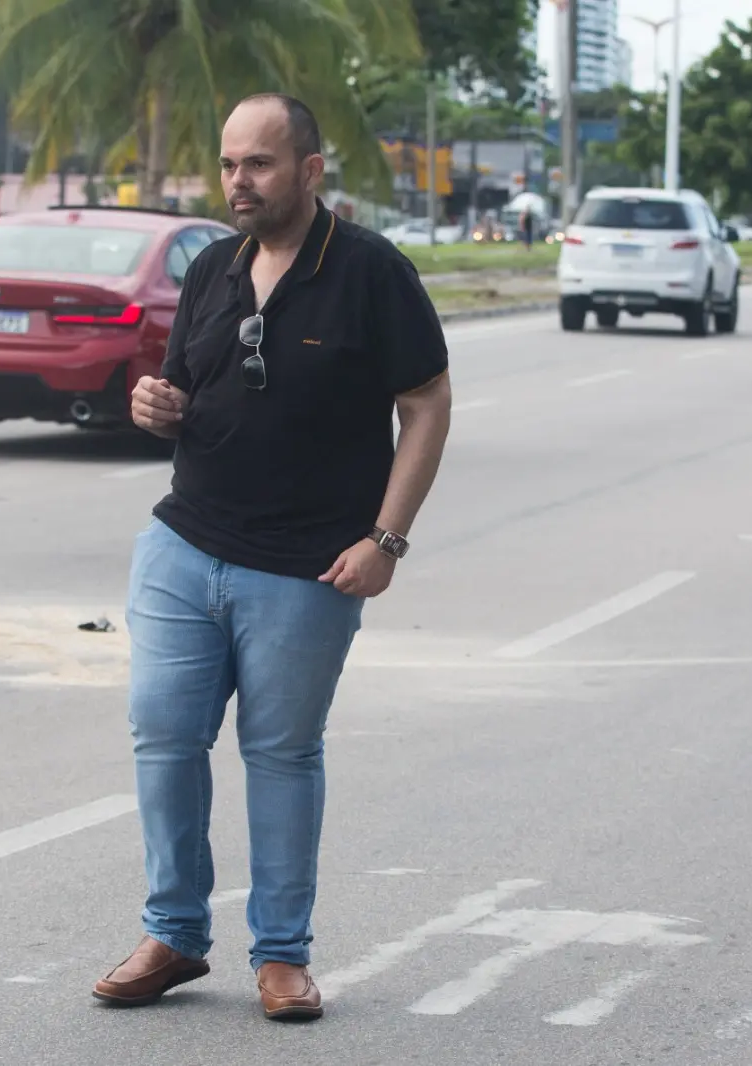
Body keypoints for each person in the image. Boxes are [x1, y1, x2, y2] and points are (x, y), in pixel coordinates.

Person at [91, 93, 452, 1020]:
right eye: (228, 164)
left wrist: (387, 540)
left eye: (258, 163)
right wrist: (152, 408)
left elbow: (427, 402)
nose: (238, 181)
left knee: (281, 754)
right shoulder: (214, 267)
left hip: (308, 568)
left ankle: (282, 956)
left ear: (310, 170)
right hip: (185, 544)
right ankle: (174, 933)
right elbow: (180, 390)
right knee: (163, 738)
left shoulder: (370, 271)